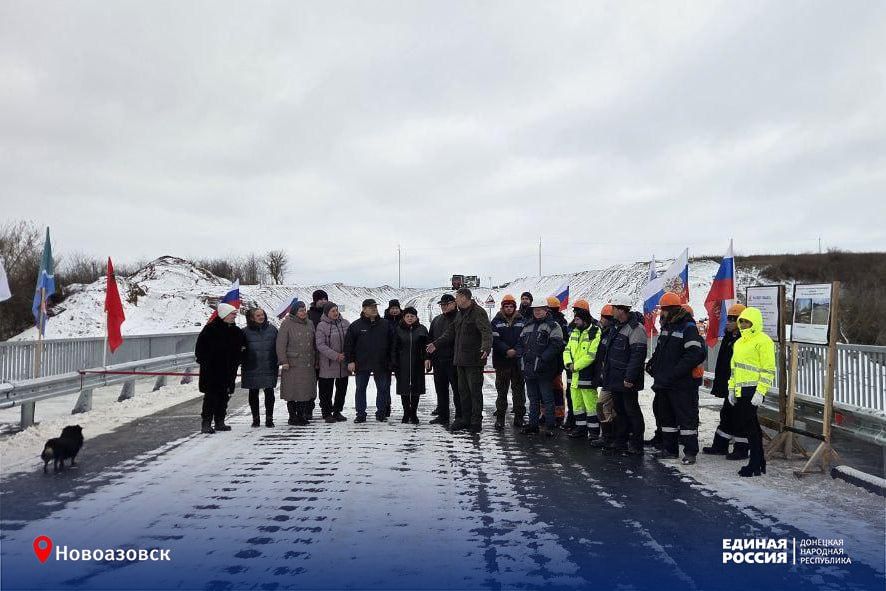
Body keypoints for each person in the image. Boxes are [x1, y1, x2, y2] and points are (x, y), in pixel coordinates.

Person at [646, 293, 707, 465]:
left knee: (685, 419)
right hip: (665, 382)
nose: (660, 314)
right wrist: (653, 364)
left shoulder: (688, 328)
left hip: (681, 384)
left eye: (663, 310)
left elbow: (695, 354)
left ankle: (690, 452)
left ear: (671, 310)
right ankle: (670, 450)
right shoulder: (667, 327)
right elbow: (661, 351)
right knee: (667, 419)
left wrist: (674, 372)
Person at [427, 288, 492, 433]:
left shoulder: (478, 312)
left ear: (465, 297)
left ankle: (476, 422)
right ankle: (465, 419)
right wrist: (435, 344)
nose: (456, 300)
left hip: (474, 360)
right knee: (463, 392)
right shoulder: (460, 315)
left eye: (457, 297)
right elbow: (450, 332)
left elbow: (486, 332)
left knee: (474, 392)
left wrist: (486, 348)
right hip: (459, 360)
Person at [730, 306, 776, 477]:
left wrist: (761, 391)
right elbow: (734, 368)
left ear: (754, 323)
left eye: (746, 322)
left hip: (753, 390)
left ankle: (754, 463)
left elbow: (768, 369)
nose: (743, 324)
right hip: (741, 389)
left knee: (750, 427)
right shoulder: (739, 342)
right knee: (752, 426)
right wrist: (731, 388)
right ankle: (759, 461)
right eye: (741, 321)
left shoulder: (763, 341)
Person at [601, 294, 647, 455]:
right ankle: (621, 441)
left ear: (621, 309)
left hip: (627, 380)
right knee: (620, 411)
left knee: (632, 411)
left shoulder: (636, 329)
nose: (611, 311)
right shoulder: (616, 326)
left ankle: (636, 443)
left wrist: (630, 377)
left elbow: (637, 355)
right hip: (615, 377)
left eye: (613, 308)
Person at [702, 303, 747, 458]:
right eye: (728, 319)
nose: (728, 322)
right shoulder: (730, 338)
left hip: (742, 385)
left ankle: (741, 449)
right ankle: (720, 445)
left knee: (741, 417)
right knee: (726, 414)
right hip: (730, 383)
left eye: (732, 319)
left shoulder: (744, 341)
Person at [516, 297, 565, 437]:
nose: (537, 312)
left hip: (545, 370)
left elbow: (556, 345)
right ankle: (533, 425)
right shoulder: (527, 325)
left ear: (546, 310)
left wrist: (542, 359)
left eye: (540, 310)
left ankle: (550, 426)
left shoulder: (553, 326)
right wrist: (521, 357)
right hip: (529, 369)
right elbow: (520, 344)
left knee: (547, 399)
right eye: (535, 310)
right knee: (533, 399)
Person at [195, 303, 244, 434]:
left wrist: (239, 358)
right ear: (224, 315)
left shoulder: (236, 331)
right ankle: (206, 422)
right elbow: (200, 350)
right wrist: (207, 363)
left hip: (229, 371)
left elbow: (242, 348)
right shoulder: (210, 330)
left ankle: (219, 421)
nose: (235, 316)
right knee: (211, 397)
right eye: (232, 314)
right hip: (212, 371)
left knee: (224, 397)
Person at [344, 298, 394, 423]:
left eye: (375, 307)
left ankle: (381, 413)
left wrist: (391, 360)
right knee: (360, 388)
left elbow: (393, 344)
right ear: (364, 309)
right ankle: (360, 414)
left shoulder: (385, 324)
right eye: (371, 307)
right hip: (362, 363)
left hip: (381, 362)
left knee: (382, 388)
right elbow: (348, 345)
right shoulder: (355, 326)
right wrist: (350, 361)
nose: (374, 309)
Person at [563, 300, 602, 440]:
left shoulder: (595, 332)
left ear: (585, 320)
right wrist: (568, 363)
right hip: (574, 375)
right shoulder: (574, 331)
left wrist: (575, 366)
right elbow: (567, 349)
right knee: (577, 405)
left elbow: (591, 355)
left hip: (587, 375)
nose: (575, 321)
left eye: (578, 319)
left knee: (590, 406)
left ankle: (594, 432)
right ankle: (580, 429)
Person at [276, 299, 318, 426]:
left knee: (304, 391)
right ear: (294, 312)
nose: (304, 312)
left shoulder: (310, 323)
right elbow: (280, 344)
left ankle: (301, 415)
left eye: (305, 309)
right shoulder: (287, 323)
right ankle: (292, 417)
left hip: (307, 362)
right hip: (293, 363)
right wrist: (283, 361)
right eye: (301, 310)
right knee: (292, 391)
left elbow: (314, 343)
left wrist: (316, 359)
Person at [491, 294, 526, 430]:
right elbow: (495, 340)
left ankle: (519, 418)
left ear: (515, 307)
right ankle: (500, 418)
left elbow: (523, 339)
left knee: (518, 392)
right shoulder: (495, 321)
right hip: (502, 362)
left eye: (511, 306)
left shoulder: (522, 321)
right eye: (506, 306)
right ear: (502, 307)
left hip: (517, 362)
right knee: (501, 392)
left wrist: (516, 351)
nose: (509, 308)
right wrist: (507, 350)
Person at [241, 307, 278, 428]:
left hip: (269, 364)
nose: (261, 317)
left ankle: (269, 418)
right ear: (251, 318)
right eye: (258, 315)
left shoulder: (272, 330)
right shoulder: (244, 332)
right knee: (253, 392)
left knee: (269, 392)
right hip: (252, 366)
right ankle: (255, 418)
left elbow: (279, 346)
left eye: (262, 314)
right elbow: (239, 349)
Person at [428, 294, 461, 425]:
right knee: (440, 389)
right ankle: (443, 415)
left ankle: (460, 416)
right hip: (438, 361)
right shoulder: (436, 320)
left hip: (454, 361)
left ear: (454, 304)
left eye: (447, 304)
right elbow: (430, 340)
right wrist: (428, 358)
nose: (444, 307)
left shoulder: (460, 317)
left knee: (458, 390)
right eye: (442, 305)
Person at [391, 307, 429, 424]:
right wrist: (394, 362)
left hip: (417, 363)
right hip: (402, 364)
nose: (410, 318)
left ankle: (414, 413)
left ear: (416, 317)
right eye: (407, 316)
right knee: (404, 389)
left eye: (412, 316)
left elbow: (427, 346)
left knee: (416, 389)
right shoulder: (398, 329)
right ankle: (406, 412)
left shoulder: (422, 329)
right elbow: (394, 348)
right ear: (404, 317)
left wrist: (427, 358)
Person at [315, 301, 350, 423]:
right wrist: (336, 356)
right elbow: (320, 345)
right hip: (328, 363)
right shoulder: (321, 326)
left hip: (343, 364)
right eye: (332, 311)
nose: (336, 313)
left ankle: (337, 411)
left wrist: (347, 354)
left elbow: (350, 341)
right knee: (326, 390)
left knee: (342, 389)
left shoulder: (345, 323)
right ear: (327, 313)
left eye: (336, 310)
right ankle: (326, 412)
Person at [591, 304, 616, 448]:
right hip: (607, 376)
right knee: (602, 406)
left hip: (614, 377)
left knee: (607, 407)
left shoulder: (611, 333)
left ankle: (610, 437)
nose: (602, 320)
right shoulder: (604, 333)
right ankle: (607, 436)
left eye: (605, 317)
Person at [546, 296, 570, 427]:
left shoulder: (561, 323)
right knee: (545, 389)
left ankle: (559, 414)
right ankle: (547, 413)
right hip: (549, 360)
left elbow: (564, 342)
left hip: (556, 361)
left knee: (556, 388)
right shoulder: (559, 322)